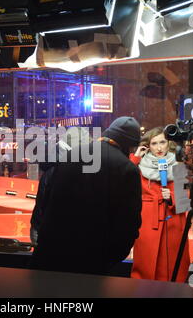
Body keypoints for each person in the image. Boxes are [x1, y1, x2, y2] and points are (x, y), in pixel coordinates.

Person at [30, 117, 142, 275]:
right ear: (130, 144)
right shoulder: (127, 168)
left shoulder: (72, 154)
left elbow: (46, 200)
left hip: (51, 251)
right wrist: (110, 259)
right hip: (92, 258)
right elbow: (128, 223)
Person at [129, 127, 190, 282]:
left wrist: (172, 198)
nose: (159, 147)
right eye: (154, 143)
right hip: (148, 222)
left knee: (175, 269)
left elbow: (184, 200)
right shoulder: (140, 167)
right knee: (146, 267)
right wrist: (135, 158)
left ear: (168, 143)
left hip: (173, 223)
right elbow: (124, 181)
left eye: (162, 142)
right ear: (148, 146)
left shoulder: (178, 165)